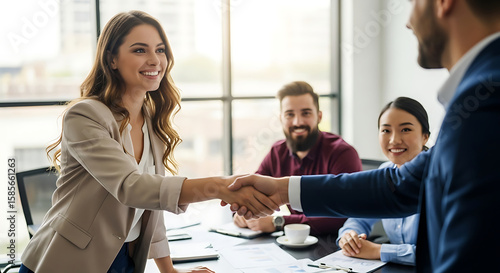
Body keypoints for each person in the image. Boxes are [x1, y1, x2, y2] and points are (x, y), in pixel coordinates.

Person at [227, 1, 500, 272]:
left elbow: (475, 252)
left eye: (413, 2)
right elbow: (399, 185)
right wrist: (281, 189)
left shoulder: (488, 98)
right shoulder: (481, 91)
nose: (407, 22)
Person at [18, 11, 276, 273]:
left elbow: (151, 205)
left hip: (126, 259)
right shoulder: (85, 115)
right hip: (66, 261)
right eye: (140, 50)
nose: (155, 60)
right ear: (112, 59)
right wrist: (219, 186)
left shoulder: (151, 118)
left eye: (160, 50)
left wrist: (169, 271)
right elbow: (131, 187)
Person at [233, 81, 362, 235]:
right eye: (290, 114)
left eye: (306, 113)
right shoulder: (277, 152)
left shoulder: (342, 153)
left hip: (336, 247)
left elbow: (343, 214)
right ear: (281, 118)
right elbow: (252, 193)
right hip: (292, 245)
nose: (298, 122)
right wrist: (242, 213)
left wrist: (278, 222)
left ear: (319, 116)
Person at [337, 97, 430, 265]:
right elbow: (360, 217)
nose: (394, 140)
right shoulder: (384, 172)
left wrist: (378, 251)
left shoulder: (439, 179)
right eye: (386, 130)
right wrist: (349, 236)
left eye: (406, 129)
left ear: (425, 137)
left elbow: (438, 253)